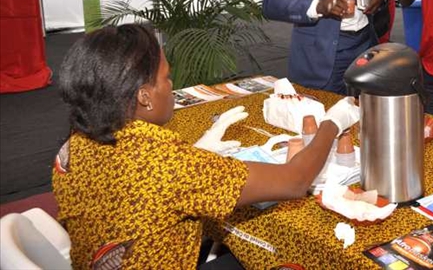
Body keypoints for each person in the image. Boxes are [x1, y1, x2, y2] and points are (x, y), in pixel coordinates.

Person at [53, 24, 359, 269]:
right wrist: (332, 123)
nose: (172, 86)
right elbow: (295, 182)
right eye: (166, 78)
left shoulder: (73, 146)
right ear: (144, 96)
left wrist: (198, 152)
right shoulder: (163, 163)